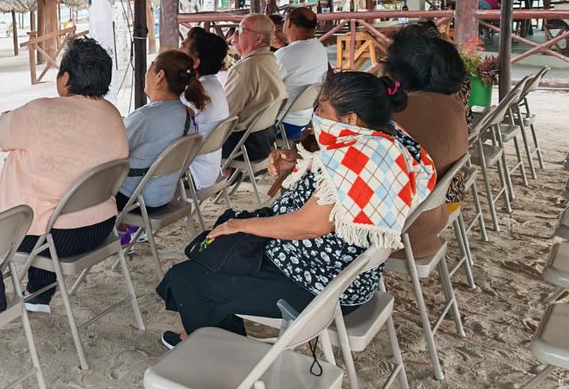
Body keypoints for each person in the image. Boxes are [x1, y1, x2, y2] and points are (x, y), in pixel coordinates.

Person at [156, 71, 436, 348]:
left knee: (189, 279)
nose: (316, 113)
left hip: (320, 284)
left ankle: (219, 351)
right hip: (344, 272)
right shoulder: (387, 137)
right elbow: (340, 178)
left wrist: (241, 225)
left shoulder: (357, 158)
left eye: (322, 108)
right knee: (217, 255)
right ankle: (212, 334)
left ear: (350, 119)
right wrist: (301, 160)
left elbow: (309, 224)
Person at [0, 38, 128, 312]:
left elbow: (1, 135)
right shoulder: (113, 115)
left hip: (54, 237)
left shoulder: (40, 111)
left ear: (65, 78)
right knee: (51, 205)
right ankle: (38, 294)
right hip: (100, 226)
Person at [381, 22, 470, 259]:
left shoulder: (398, 115)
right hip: (441, 209)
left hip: (408, 232)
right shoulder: (454, 106)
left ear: (397, 71)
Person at [118, 50, 206, 211]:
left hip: (134, 199)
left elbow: (112, 153)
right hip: (162, 197)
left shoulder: (144, 117)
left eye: (150, 67)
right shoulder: (187, 115)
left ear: (159, 76)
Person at [222, 12, 287, 162]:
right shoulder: (270, 60)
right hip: (264, 140)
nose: (235, 35)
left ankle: (209, 180)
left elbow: (225, 116)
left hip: (243, 146)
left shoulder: (245, 68)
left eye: (241, 30)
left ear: (258, 38)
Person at [181, 28, 231, 190]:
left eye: (183, 47)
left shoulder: (193, 94)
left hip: (191, 174)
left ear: (195, 61)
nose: (178, 51)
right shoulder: (214, 85)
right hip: (209, 171)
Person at [274, 6, 329, 140]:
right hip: (304, 122)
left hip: (280, 124)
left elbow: (264, 89)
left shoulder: (285, 54)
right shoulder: (319, 48)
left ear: (289, 23)